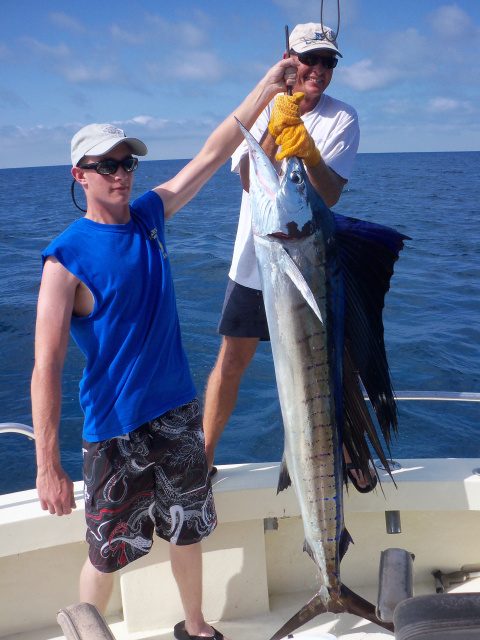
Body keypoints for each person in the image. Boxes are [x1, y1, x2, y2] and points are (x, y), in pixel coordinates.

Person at [31, 57, 297, 640]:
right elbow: (45, 367)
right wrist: (47, 464)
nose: (120, 174)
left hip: (177, 412)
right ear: (80, 174)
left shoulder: (150, 216)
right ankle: (86, 630)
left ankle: (195, 625)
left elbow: (208, 154)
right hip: (114, 428)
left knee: (189, 528)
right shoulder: (64, 259)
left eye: (126, 163)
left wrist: (266, 86)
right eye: (106, 166)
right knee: (107, 552)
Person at [203, 23, 376, 493]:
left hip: (312, 264)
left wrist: (309, 151)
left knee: (333, 365)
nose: (318, 69)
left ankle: (346, 449)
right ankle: (202, 459)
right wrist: (276, 128)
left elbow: (332, 194)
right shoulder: (262, 105)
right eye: (310, 59)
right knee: (232, 360)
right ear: (288, 57)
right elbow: (245, 176)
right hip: (257, 261)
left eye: (328, 62)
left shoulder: (344, 118)